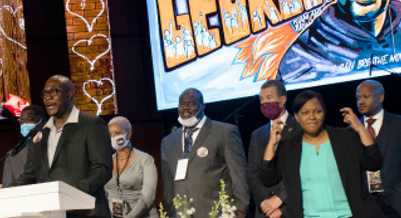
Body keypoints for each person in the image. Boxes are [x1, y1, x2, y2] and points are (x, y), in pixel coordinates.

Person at [257, 90, 385, 218]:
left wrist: (360, 129)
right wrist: (272, 144)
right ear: (297, 116)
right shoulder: (288, 148)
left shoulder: (346, 138)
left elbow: (374, 163)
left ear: (324, 112)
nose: (312, 117)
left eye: (317, 111)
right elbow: (268, 178)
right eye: (305, 113)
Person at [13, 75, 113, 218]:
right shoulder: (40, 132)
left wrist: (71, 194)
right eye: (44, 94)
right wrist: (7, 190)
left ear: (69, 94)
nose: (47, 98)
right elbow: (30, 174)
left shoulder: (91, 124)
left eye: (54, 92)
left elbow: (103, 169)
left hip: (86, 213)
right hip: (49, 214)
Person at [160, 88, 249, 218]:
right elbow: (168, 186)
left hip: (218, 213)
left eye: (191, 103)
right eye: (181, 104)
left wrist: (240, 210)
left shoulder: (224, 133)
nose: (185, 108)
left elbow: (239, 175)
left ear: (202, 106)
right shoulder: (168, 142)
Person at [355, 80, 401, 218]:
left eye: (366, 97)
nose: (361, 101)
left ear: (380, 97)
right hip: (365, 205)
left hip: (399, 203)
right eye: (358, 98)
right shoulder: (352, 131)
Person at [247, 80, 296, 218]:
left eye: (269, 98)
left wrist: (280, 198)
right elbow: (252, 173)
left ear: (283, 100)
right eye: (262, 99)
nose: (264, 103)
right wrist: (265, 203)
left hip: (291, 207)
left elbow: (302, 169)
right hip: (266, 212)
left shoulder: (299, 128)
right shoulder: (257, 134)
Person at [104, 116, 158, 218]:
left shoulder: (145, 160)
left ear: (128, 134)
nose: (113, 137)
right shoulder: (107, 161)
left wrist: (130, 217)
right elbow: (106, 194)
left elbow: (148, 196)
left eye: (117, 133)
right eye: (110, 134)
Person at [3, 105, 48, 187]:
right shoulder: (13, 157)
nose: (25, 125)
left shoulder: (55, 144)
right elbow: (8, 189)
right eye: (22, 122)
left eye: (30, 120)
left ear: (43, 120)